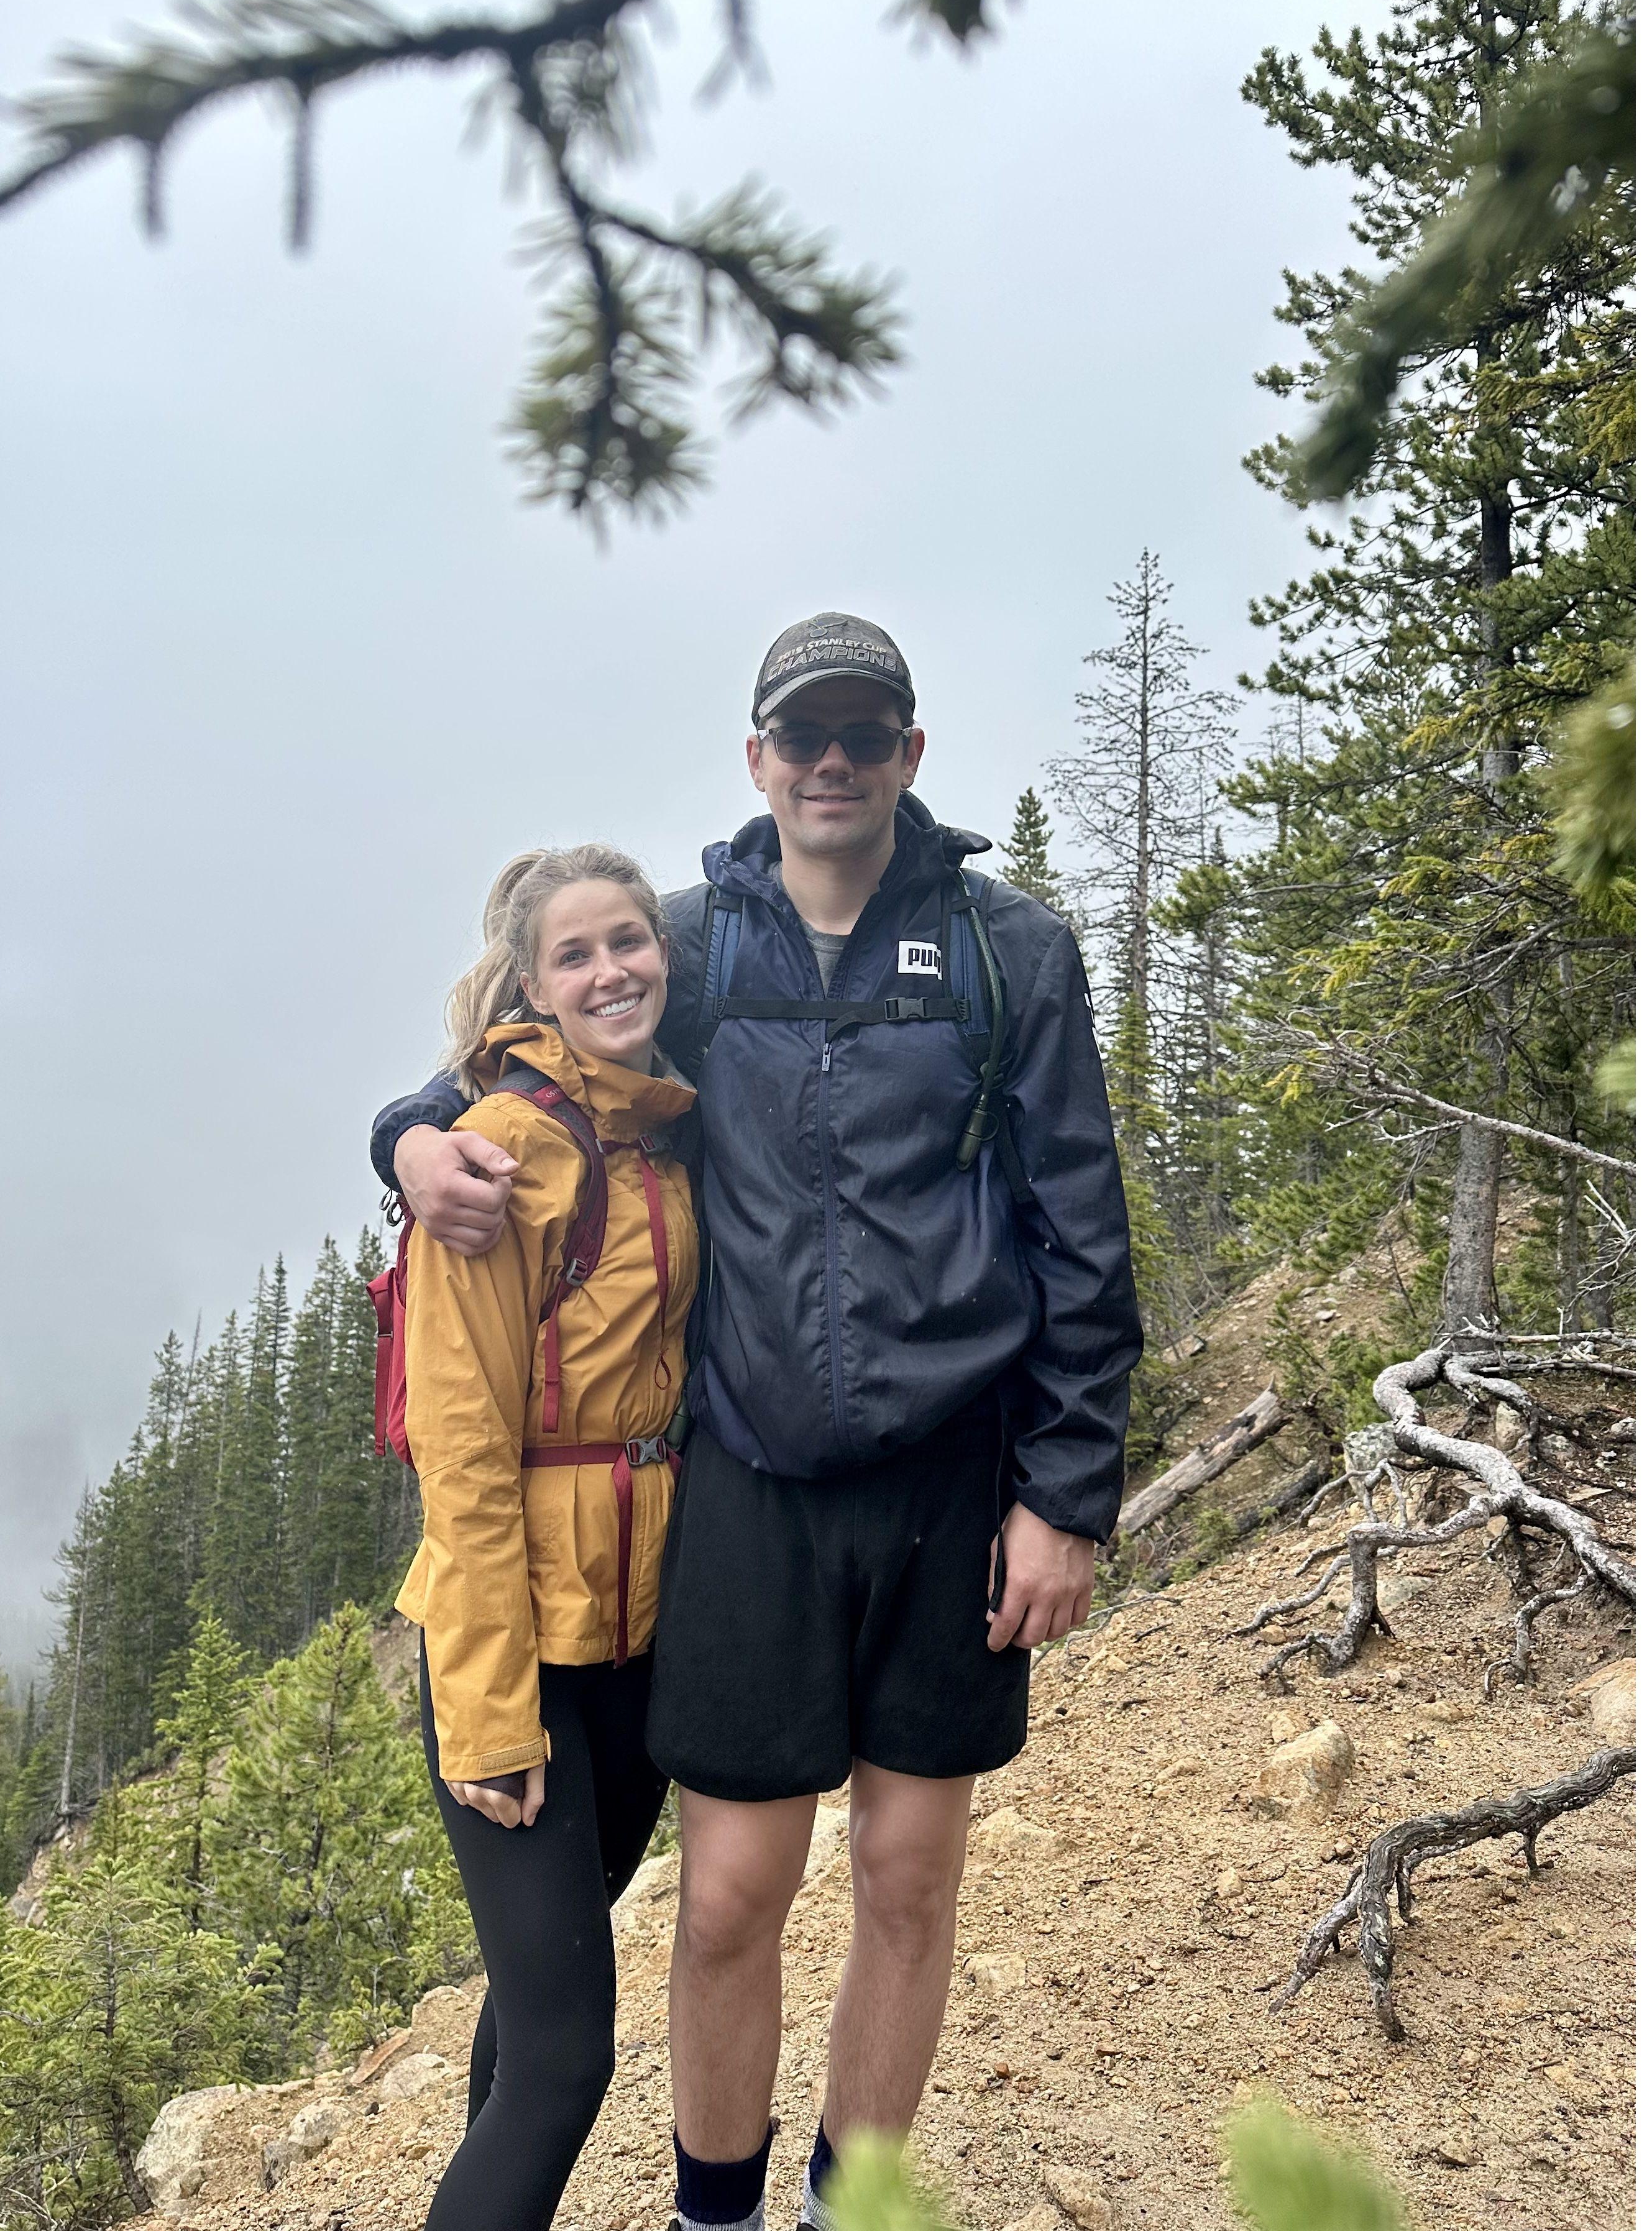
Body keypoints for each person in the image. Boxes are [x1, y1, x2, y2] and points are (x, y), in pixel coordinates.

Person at [374, 615, 1144, 2231]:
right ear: (760, 762)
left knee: (907, 1880)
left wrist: (1066, 1493)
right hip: (749, 1491)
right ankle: (716, 2211)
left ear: (911, 756)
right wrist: (406, 1142)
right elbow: (529, 1042)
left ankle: (847, 2206)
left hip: (954, 1489)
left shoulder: (1011, 951)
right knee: (727, 1900)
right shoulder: (693, 941)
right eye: (807, 736)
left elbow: (1083, 1225)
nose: (837, 761)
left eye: (868, 732)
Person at [391, 843, 699, 2231]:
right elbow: (461, 1457)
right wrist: (488, 1711)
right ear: (532, 986)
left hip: (634, 1643)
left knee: (532, 2029)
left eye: (627, 941)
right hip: (514, 1653)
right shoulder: (499, 1154)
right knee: (571, 2056)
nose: (610, 970)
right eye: (575, 955)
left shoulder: (662, 1123)